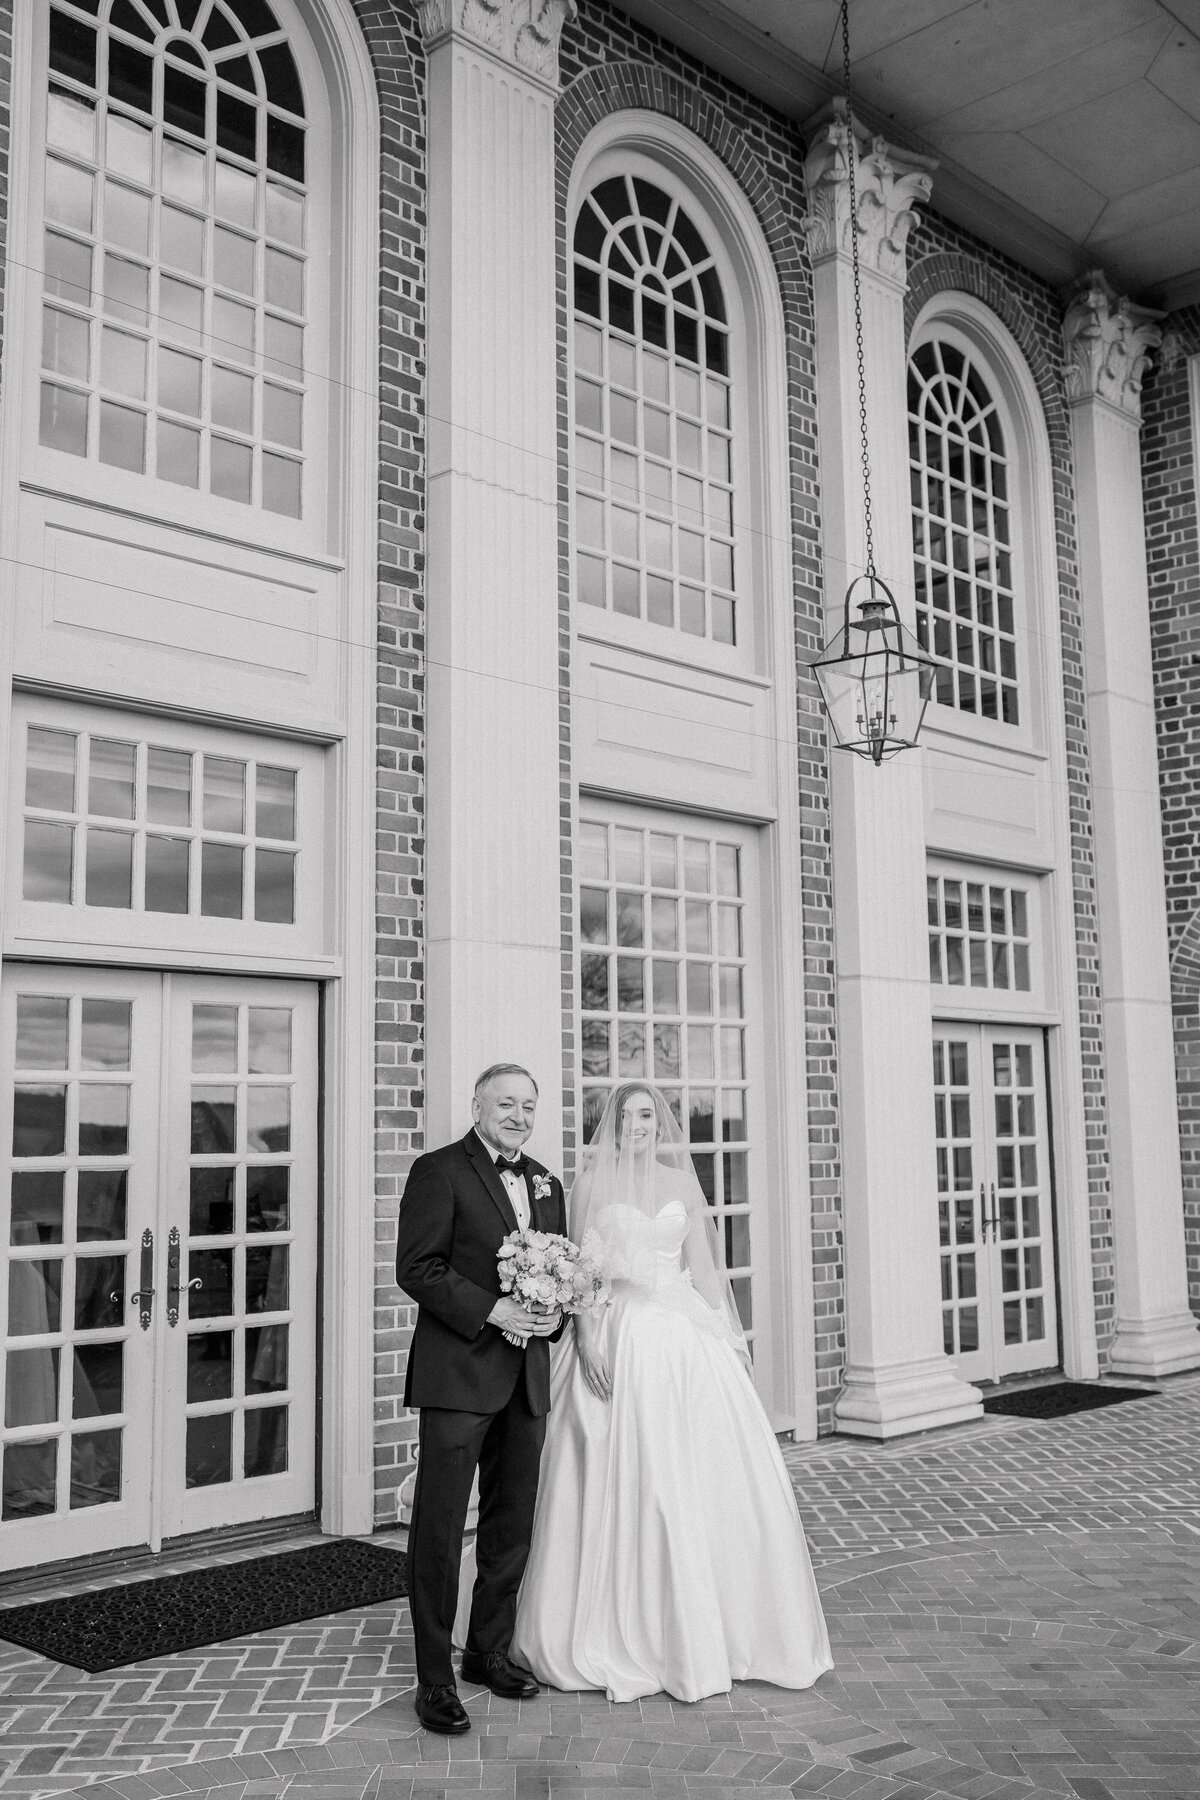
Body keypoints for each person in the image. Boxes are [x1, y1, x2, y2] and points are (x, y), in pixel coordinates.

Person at [507, 1083, 834, 1704]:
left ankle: (715, 1626)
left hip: (684, 1338)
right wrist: (589, 1341)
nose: (638, 1126)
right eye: (627, 1116)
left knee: (701, 1475)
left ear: (662, 1124)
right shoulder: (589, 1187)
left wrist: (730, 1346)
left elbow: (705, 1269)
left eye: (648, 1116)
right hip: (617, 1334)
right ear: (611, 1125)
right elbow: (578, 1273)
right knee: (616, 1471)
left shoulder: (682, 1184)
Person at [395, 1062, 567, 1735]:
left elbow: (562, 1267)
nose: (519, 1115)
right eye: (506, 1103)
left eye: (528, 1104)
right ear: (477, 1106)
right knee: (438, 1529)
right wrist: (494, 1310)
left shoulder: (548, 1181)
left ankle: (488, 1653)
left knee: (510, 1524)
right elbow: (417, 1267)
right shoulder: (438, 1171)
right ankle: (434, 1678)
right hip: (458, 1374)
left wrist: (559, 1314)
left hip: (525, 1377)